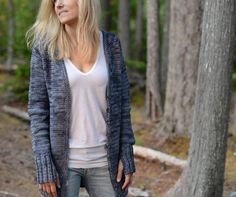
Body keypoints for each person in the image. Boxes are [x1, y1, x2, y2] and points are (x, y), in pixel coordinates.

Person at [26, 0, 136, 197]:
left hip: (105, 161)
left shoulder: (111, 45)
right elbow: (38, 111)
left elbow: (123, 105)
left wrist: (126, 153)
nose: (58, 4)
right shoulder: (45, 50)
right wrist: (44, 163)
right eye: (54, 0)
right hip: (62, 165)